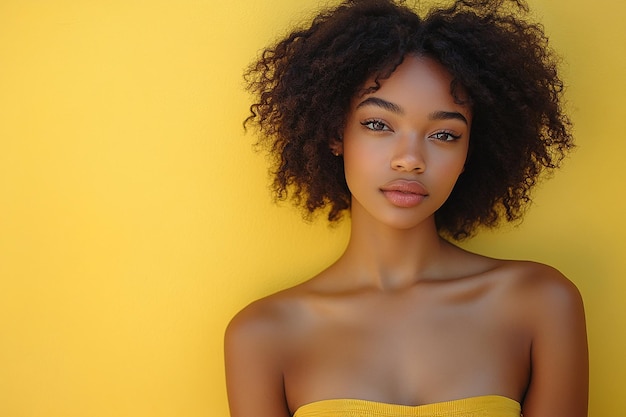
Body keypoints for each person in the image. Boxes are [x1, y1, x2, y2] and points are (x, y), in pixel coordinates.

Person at [224, 0, 588, 416]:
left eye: (445, 134)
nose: (410, 159)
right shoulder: (263, 335)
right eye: (378, 124)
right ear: (334, 132)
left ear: (471, 151)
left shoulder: (540, 303)